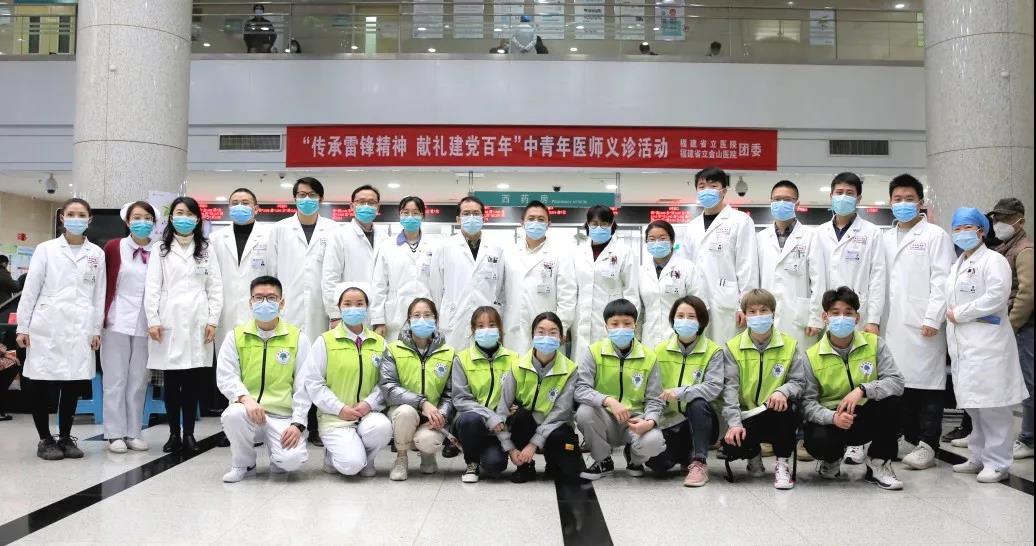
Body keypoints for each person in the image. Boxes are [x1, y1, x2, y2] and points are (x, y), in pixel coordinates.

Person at [16, 198, 105, 460]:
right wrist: (23, 326)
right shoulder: (46, 249)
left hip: (80, 325)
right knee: (41, 382)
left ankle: (65, 437)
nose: (76, 219)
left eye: (81, 214)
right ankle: (45, 439)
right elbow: (31, 289)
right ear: (62, 218)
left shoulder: (96, 254)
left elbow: (99, 294)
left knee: (72, 383)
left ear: (89, 220)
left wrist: (96, 329)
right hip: (47, 324)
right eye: (71, 214)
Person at [946, 207, 1028, 483]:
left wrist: (961, 313)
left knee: (993, 406)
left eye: (968, 228)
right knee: (974, 405)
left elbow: (997, 296)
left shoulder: (994, 261)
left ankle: (998, 463)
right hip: (964, 344)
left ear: (981, 231)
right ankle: (978, 456)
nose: (962, 233)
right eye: (957, 228)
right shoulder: (957, 264)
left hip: (988, 344)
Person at [878, 174, 955, 470]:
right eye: (897, 199)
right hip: (892, 325)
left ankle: (928, 445)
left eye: (909, 199)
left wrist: (933, 317)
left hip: (924, 324)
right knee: (900, 385)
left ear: (920, 202)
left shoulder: (935, 236)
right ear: (890, 202)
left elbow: (942, 280)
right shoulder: (885, 238)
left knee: (928, 386)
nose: (903, 204)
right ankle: (908, 438)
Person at [801, 286, 905, 490]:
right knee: (817, 440)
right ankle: (831, 459)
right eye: (835, 313)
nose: (842, 318)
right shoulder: (811, 356)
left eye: (848, 313)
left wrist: (863, 389)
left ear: (857, 317)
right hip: (833, 421)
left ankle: (879, 464)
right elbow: (806, 403)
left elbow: (896, 381)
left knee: (894, 403)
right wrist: (833, 418)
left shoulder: (875, 344)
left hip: (867, 415)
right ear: (825, 317)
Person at [814, 173, 886, 467]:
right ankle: (833, 439)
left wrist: (873, 319)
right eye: (838, 192)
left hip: (858, 314)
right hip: (830, 315)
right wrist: (816, 317)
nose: (843, 197)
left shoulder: (872, 233)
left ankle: (859, 442)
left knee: (860, 376)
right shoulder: (819, 232)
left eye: (849, 192)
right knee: (831, 378)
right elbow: (816, 276)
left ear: (859, 198)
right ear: (830, 195)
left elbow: (878, 277)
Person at [145, 196, 223, 453]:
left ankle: (189, 434)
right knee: (171, 383)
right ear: (171, 218)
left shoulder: (206, 248)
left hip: (198, 320)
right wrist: (153, 320)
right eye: (179, 213)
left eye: (190, 214)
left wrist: (213, 320)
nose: (184, 218)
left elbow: (215, 287)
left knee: (191, 383)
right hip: (169, 319)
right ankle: (173, 434)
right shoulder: (160, 249)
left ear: (198, 219)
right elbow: (152, 287)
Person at [217, 276, 310, 482]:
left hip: (282, 416)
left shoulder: (298, 338)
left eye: (271, 298)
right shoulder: (236, 336)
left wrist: (297, 423)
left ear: (282, 303)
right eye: (258, 298)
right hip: (248, 412)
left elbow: (304, 385)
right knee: (233, 414)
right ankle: (244, 463)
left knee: (291, 461)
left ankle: (278, 458)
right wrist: (245, 399)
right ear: (250, 302)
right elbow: (226, 375)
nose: (265, 303)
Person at [268, 177, 337, 446]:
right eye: (301, 194)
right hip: (289, 308)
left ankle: (318, 424)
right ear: (294, 198)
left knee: (321, 368)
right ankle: (293, 421)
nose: (306, 199)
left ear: (321, 198)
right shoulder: (279, 229)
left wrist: (335, 310)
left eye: (312, 195)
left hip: (322, 308)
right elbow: (271, 273)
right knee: (292, 368)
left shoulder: (333, 230)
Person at [719, 289, 808, 489]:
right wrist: (734, 424)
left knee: (786, 408)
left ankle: (782, 463)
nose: (758, 315)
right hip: (747, 416)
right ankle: (753, 454)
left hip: (776, 412)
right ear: (744, 315)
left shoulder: (789, 344)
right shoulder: (732, 347)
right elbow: (729, 390)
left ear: (773, 313)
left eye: (763, 310)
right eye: (752, 311)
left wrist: (783, 391)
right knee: (732, 448)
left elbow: (799, 382)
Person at [303, 282, 392, 478]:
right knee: (351, 466)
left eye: (359, 304)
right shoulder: (325, 341)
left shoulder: (380, 343)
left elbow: (385, 382)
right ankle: (334, 456)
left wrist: (369, 404)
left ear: (367, 307)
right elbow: (314, 382)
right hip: (334, 417)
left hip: (367, 413)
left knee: (383, 427)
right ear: (339, 307)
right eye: (348, 304)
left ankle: (367, 460)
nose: (354, 308)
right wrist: (339, 408)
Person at [575, 298, 666, 480]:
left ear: (635, 326)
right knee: (584, 412)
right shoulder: (594, 352)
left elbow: (655, 398)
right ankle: (603, 460)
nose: (621, 328)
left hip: (635, 420)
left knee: (655, 441)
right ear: (606, 326)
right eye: (615, 324)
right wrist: (608, 400)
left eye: (627, 323)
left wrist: (650, 421)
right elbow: (581, 389)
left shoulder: (649, 356)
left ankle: (635, 459)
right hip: (605, 417)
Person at [494, 312, 585, 483]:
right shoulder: (517, 366)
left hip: (554, 426)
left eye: (553, 332)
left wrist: (534, 444)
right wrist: (510, 448)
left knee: (569, 472)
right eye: (541, 332)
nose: (546, 337)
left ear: (562, 338)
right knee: (520, 417)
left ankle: (554, 462)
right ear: (533, 336)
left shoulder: (570, 369)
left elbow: (562, 412)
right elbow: (502, 409)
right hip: (525, 425)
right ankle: (525, 466)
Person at [645, 296, 723, 486]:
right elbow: (652, 390)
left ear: (701, 321)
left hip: (702, 421)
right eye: (680, 316)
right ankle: (684, 454)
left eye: (691, 316)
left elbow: (713, 387)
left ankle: (699, 461)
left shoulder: (713, 351)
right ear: (673, 320)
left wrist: (680, 392)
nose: (685, 321)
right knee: (658, 465)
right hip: (670, 421)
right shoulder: (659, 350)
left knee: (697, 402)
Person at [210, 188, 269, 431]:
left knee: (255, 366)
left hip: (259, 310)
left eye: (245, 202)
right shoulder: (216, 238)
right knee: (228, 366)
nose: (240, 206)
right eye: (235, 202)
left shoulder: (268, 236)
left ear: (256, 208)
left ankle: (259, 420)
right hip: (225, 311)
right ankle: (232, 423)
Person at [100, 201, 157, 453]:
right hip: (116, 320)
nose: (142, 222)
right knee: (115, 379)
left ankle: (133, 432)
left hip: (147, 324)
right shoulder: (114, 247)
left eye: (147, 218)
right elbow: (102, 283)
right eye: (137, 217)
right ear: (127, 221)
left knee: (139, 380)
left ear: (154, 223)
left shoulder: (160, 250)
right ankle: (114, 434)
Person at [678, 166, 758, 343]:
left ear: (724, 191)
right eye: (702, 186)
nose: (707, 190)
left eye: (713, 186)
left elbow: (747, 265)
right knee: (700, 350)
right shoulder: (693, 226)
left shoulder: (740, 221)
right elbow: (685, 266)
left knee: (727, 348)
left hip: (728, 301)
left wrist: (745, 305)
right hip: (696, 301)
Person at [380, 297, 456, 481]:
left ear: (436, 319)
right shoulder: (393, 349)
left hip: (433, 415)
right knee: (406, 412)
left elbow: (450, 393)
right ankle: (401, 457)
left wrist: (441, 415)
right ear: (408, 320)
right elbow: (388, 387)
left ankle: (428, 455)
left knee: (429, 441)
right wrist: (422, 403)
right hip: (402, 412)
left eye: (427, 315)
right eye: (416, 315)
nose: (422, 319)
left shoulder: (449, 353)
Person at [988, 197, 1034, 460]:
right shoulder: (1006, 247)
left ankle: (1028, 439)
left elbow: (1027, 294)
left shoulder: (1025, 250)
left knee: (1030, 383)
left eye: (1005, 218)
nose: (998, 223)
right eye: (996, 218)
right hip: (1013, 326)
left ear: (1020, 221)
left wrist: (1012, 325)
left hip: (1026, 327)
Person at [451, 306, 518, 482]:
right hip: (471, 422)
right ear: (473, 330)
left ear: (500, 328)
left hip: (499, 428)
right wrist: (490, 416)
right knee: (470, 419)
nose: (486, 330)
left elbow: (520, 392)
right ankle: (471, 463)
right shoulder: (462, 359)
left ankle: (485, 452)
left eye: (491, 325)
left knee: (495, 466)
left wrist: (516, 405)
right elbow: (460, 399)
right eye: (480, 326)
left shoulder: (514, 359)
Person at [429, 195, 505, 350]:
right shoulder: (444, 247)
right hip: (453, 318)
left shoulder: (496, 248)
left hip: (487, 320)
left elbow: (500, 288)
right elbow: (435, 288)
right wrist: (437, 316)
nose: (471, 217)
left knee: (484, 359)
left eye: (476, 213)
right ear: (458, 219)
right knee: (454, 359)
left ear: (483, 218)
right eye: (466, 213)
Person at [757, 180, 826, 349]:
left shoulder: (811, 236)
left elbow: (818, 281)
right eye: (777, 199)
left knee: (799, 359)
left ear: (797, 204)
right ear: (770, 202)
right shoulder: (760, 238)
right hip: (765, 315)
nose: (781, 203)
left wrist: (815, 318)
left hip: (799, 317)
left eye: (787, 199)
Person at [502, 200, 576, 355]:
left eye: (541, 219)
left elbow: (567, 295)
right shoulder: (509, 253)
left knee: (547, 368)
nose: (535, 222)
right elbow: (501, 293)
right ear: (522, 222)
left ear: (549, 223)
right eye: (531, 218)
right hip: (514, 328)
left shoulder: (561, 254)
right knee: (516, 367)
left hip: (548, 331)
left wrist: (561, 327)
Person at [573, 205, 638, 363]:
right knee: (583, 367)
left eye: (604, 224)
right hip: (581, 322)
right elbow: (571, 290)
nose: (599, 228)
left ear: (612, 224)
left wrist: (628, 324)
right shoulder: (577, 253)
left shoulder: (624, 252)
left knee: (609, 366)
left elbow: (631, 291)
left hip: (614, 322)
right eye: (594, 223)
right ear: (587, 224)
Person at [371, 196, 438, 342]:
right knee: (396, 352)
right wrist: (378, 320)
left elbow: (440, 286)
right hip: (395, 317)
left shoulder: (435, 246)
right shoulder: (387, 246)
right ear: (399, 215)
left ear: (423, 216)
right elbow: (379, 285)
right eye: (405, 212)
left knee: (424, 352)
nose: (410, 217)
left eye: (415, 213)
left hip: (426, 317)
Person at [323, 185, 387, 329]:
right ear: (352, 206)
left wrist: (380, 318)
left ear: (378, 207)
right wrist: (335, 314)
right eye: (361, 202)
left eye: (372, 203)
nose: (366, 206)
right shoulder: (339, 235)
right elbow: (330, 278)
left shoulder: (385, 238)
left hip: (376, 315)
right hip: (348, 312)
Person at [639, 220, 704, 348]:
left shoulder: (687, 268)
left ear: (672, 241)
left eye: (662, 238)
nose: (657, 243)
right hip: (649, 338)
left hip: (681, 336)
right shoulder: (641, 271)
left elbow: (699, 305)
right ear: (646, 242)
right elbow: (640, 310)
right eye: (652, 239)